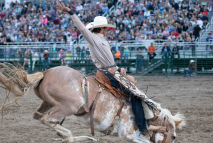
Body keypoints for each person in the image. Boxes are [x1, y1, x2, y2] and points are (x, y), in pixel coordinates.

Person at [56, 1, 160, 135]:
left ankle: (134, 119)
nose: (107, 30)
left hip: (112, 71)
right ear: (102, 28)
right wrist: (71, 12)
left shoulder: (101, 39)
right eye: (106, 28)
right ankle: (142, 126)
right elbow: (82, 28)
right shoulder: (93, 38)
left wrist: (118, 69)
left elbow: (108, 60)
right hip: (107, 73)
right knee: (135, 94)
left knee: (132, 83)